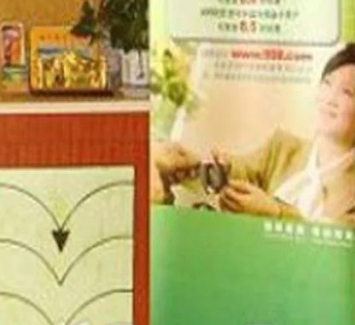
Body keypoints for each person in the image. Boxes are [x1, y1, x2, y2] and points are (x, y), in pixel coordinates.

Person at [152, 44, 355, 226]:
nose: (330, 99)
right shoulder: (283, 147)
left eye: (347, 92)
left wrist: (276, 213)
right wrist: (202, 165)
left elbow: (330, 239)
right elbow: (244, 172)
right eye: (327, 83)